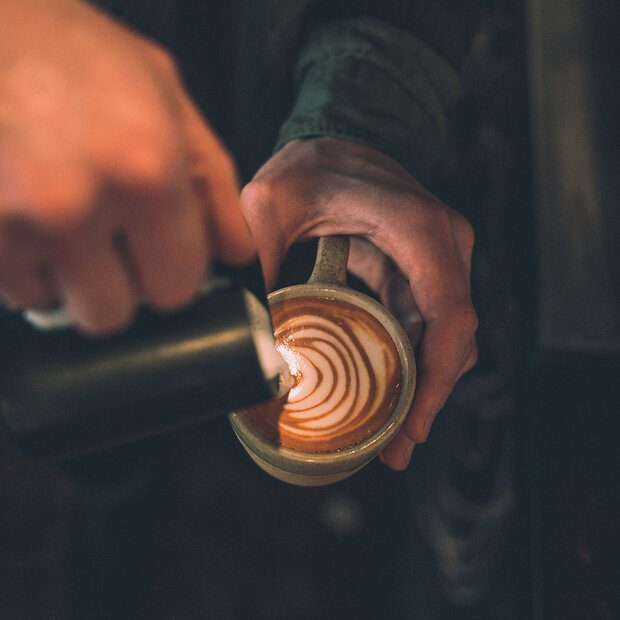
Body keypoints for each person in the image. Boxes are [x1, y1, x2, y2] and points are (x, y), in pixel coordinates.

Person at [0, 0, 485, 472]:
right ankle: (118, 490)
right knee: (92, 409)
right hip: (41, 214)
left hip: (281, 143)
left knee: (210, 379)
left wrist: (358, 114)